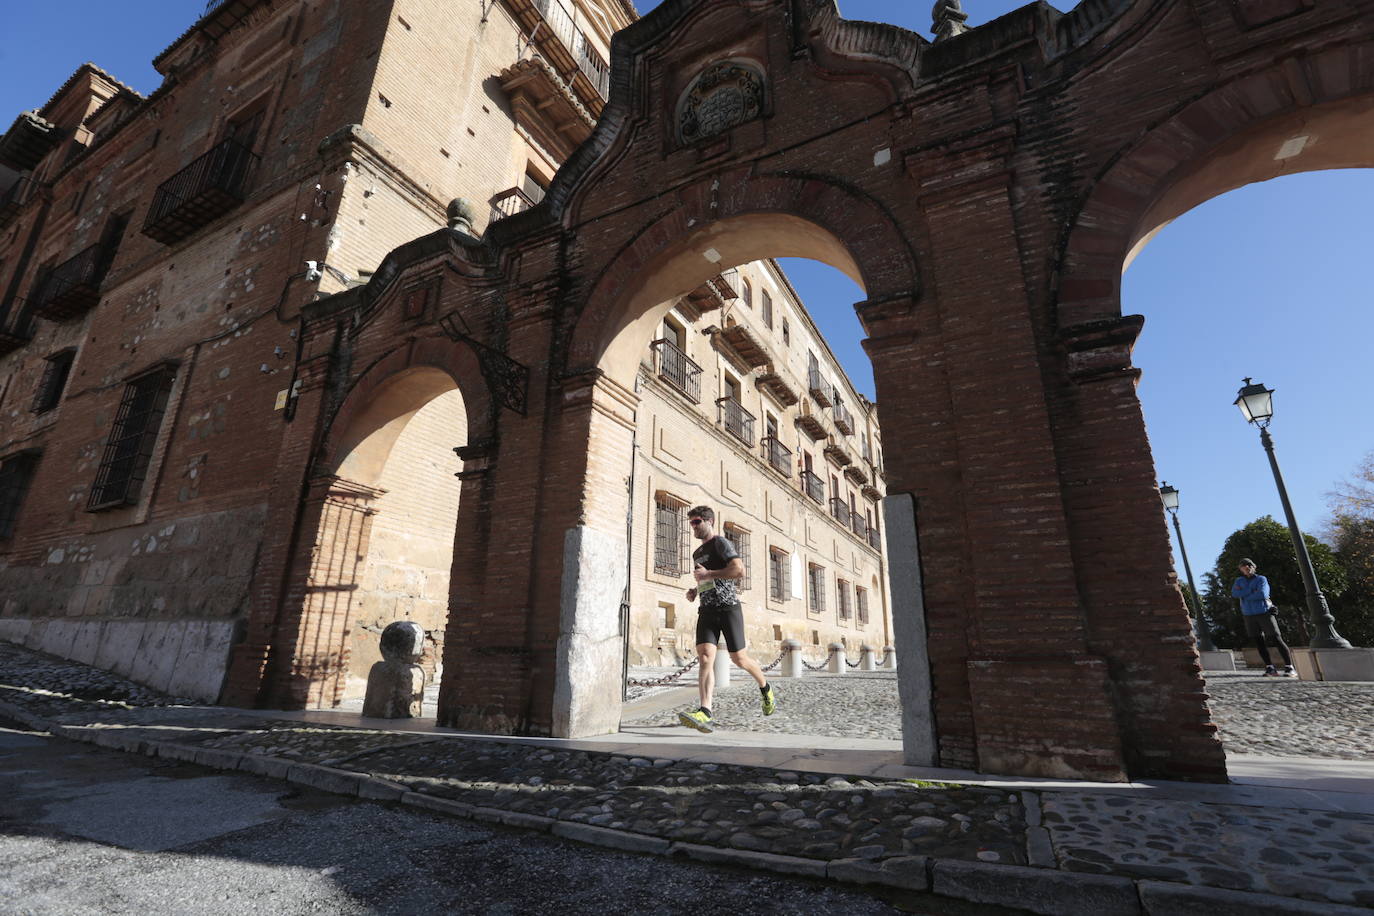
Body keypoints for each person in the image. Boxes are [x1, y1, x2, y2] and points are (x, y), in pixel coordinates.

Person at [677, 505, 777, 732]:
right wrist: (696, 589)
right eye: (691, 522)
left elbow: (738, 570)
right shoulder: (697, 553)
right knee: (704, 658)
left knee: (739, 659)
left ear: (709, 521)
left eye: (696, 522)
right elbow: (705, 578)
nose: (693, 526)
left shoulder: (721, 543)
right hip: (707, 610)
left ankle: (765, 688)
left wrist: (708, 574)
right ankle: (705, 711)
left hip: (728, 608)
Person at [1231, 558, 1297, 677]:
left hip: (1264, 612)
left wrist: (1245, 594)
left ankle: (1289, 667)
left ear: (1253, 566)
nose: (1246, 567)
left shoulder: (1261, 579)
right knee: (1259, 642)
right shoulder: (1239, 580)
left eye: (1249, 565)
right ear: (1240, 569)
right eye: (1243, 566)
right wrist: (1252, 590)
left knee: (1276, 638)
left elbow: (1263, 594)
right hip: (1248, 614)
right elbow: (1235, 594)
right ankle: (1270, 667)